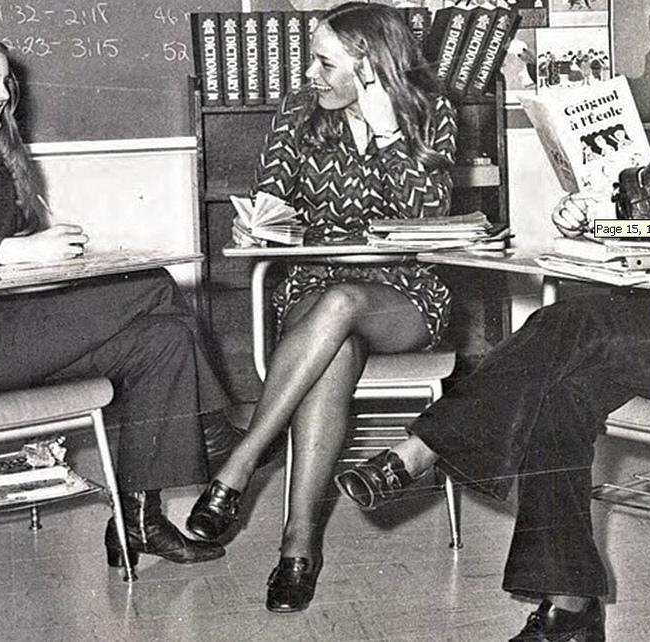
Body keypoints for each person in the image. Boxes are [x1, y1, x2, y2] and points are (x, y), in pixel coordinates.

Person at [334, 16, 650, 642]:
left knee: (565, 320)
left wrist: (641, 226)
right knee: (559, 396)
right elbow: (632, 234)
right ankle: (570, 608)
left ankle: (425, 448)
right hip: (646, 331)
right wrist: (587, 215)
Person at [0, 29, 242, 569]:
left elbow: (13, 268)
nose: (4, 93)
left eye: (7, 82)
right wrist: (17, 250)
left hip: (8, 336)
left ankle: (137, 521)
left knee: (163, 340)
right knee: (153, 285)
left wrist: (62, 261)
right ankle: (216, 434)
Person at [183, 2, 456, 613]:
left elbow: (430, 216)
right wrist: (261, 222)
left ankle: (240, 463)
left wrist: (388, 136)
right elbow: (271, 197)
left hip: (402, 293)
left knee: (342, 302)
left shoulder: (429, 111)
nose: (310, 73)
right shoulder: (298, 111)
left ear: (370, 66)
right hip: (313, 286)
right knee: (333, 346)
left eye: (325, 63)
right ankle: (298, 545)